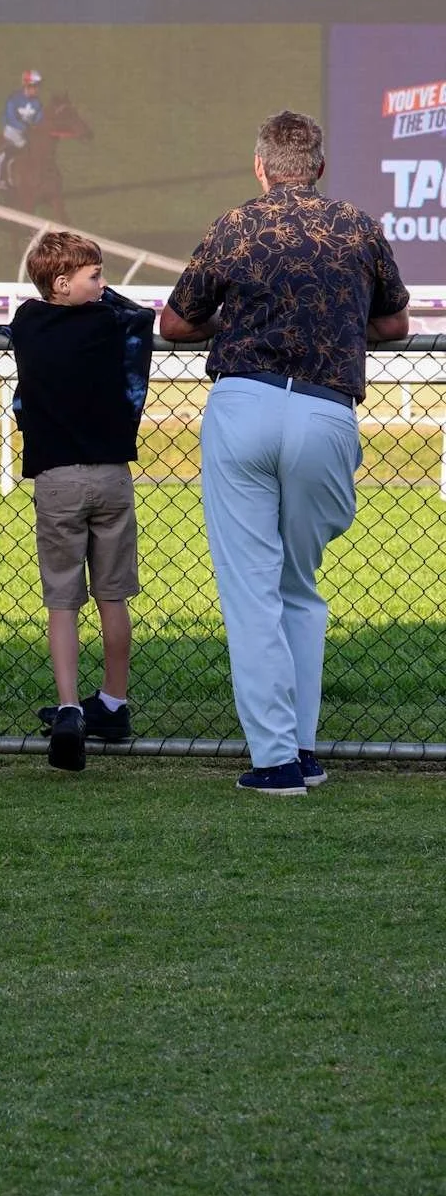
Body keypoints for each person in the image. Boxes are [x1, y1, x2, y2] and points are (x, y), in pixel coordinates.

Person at [160, 110, 409, 797]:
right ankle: (301, 750)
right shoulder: (359, 226)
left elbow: (175, 322)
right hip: (327, 410)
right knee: (299, 588)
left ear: (261, 167)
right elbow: (393, 322)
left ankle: (274, 762)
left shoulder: (235, 225)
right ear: (319, 167)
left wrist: (238, 320)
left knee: (252, 593)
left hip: (245, 402)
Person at [9, 230, 153, 772]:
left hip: (56, 478)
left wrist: (72, 285)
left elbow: (43, 303)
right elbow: (138, 316)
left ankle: (70, 706)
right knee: (113, 594)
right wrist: (105, 298)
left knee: (62, 599)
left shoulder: (27, 321)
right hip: (112, 475)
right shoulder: (112, 325)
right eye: (96, 275)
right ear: (65, 281)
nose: (105, 284)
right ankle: (113, 699)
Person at [0, 69, 44, 192]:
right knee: (22, 145)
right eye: (34, 86)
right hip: (12, 130)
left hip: (28, 132)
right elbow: (10, 117)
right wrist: (25, 127)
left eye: (37, 86)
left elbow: (39, 117)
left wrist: (36, 125)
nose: (36, 89)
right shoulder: (14, 99)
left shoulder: (37, 102)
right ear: (26, 85)